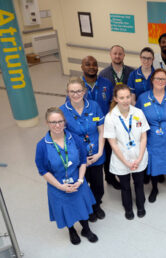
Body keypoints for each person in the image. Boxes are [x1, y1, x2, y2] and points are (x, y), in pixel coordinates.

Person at [35, 107, 98, 245]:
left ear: (65, 122)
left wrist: (81, 180)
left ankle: (86, 229)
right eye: (53, 122)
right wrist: (61, 187)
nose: (57, 125)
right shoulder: (41, 146)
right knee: (66, 211)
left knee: (82, 207)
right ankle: (72, 231)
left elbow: (82, 160)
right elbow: (43, 170)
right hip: (58, 186)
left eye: (60, 121)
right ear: (47, 123)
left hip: (77, 181)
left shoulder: (74, 138)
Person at [60, 77, 106, 222]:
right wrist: (79, 158)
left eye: (79, 91)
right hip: (78, 157)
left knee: (98, 184)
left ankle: (97, 204)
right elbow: (62, 137)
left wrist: (99, 153)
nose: (75, 94)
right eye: (72, 91)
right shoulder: (62, 111)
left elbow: (101, 131)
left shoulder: (94, 106)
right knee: (83, 185)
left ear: (84, 91)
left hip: (96, 153)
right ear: (67, 93)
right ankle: (89, 208)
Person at [136, 68, 166, 203]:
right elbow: (137, 119)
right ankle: (155, 188)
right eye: (157, 78)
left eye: (163, 79)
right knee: (154, 162)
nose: (160, 81)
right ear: (152, 80)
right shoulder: (143, 97)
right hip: (151, 137)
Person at [104, 84, 150, 220]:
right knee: (125, 186)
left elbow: (143, 136)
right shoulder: (110, 117)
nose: (125, 100)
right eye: (122, 97)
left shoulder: (138, 113)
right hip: (121, 159)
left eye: (128, 97)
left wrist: (140, 157)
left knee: (139, 183)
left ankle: (140, 206)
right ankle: (128, 208)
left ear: (131, 97)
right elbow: (112, 143)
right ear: (115, 99)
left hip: (138, 156)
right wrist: (126, 162)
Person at [81, 55, 121, 190]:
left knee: (109, 153)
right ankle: (89, 184)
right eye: (88, 64)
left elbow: (112, 102)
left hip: (106, 127)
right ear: (82, 67)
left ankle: (110, 178)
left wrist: (111, 119)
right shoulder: (78, 86)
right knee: (91, 155)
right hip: (88, 130)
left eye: (94, 64)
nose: (92, 67)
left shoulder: (106, 83)